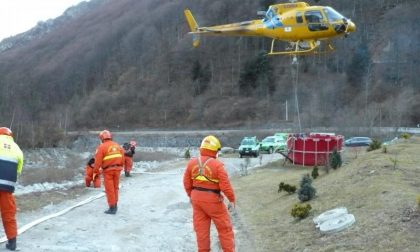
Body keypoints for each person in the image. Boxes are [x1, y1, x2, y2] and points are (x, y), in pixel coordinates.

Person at [183, 135, 236, 252]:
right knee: (225, 229)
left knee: (201, 231)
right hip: (213, 200)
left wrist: (191, 195)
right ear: (215, 150)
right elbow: (225, 185)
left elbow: (186, 182)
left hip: (197, 200)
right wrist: (231, 199)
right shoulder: (218, 165)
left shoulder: (192, 163)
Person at [0, 127, 24, 251]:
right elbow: (19, 170)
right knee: (8, 214)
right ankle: (12, 243)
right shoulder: (16, 148)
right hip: (7, 188)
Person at [93, 130, 125, 214]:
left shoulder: (101, 147)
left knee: (110, 189)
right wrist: (121, 166)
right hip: (117, 170)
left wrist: (95, 172)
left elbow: (97, 162)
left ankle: (112, 208)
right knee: (115, 188)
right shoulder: (117, 145)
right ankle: (115, 205)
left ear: (102, 138)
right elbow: (123, 157)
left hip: (108, 171)